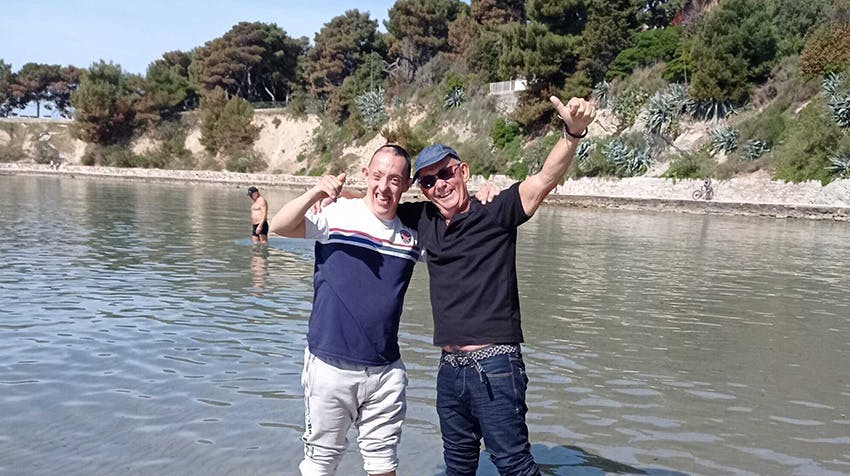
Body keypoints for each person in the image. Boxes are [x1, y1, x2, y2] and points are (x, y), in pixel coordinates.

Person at [396, 95, 596, 475]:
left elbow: (543, 181)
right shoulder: (422, 219)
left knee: (514, 466)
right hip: (449, 370)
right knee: (457, 467)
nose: (439, 184)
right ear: (421, 189)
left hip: (496, 366)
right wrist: (330, 196)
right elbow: (377, 205)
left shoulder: (496, 210)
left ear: (463, 172)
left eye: (446, 173)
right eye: (428, 180)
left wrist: (572, 132)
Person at [269, 144, 419, 476]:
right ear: (366, 175)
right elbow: (277, 225)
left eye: (395, 180)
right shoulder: (337, 215)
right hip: (329, 366)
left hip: (386, 372)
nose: (384, 187)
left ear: (407, 185)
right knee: (320, 464)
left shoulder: (413, 234)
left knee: (384, 465)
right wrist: (314, 192)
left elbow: (460, 234)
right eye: (378, 176)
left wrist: (483, 196)